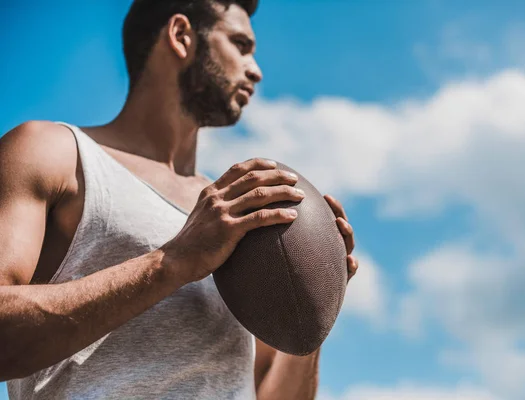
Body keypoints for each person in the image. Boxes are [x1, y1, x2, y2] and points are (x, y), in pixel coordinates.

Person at [0, 0, 359, 399]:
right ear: (181, 36)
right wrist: (171, 262)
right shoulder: (55, 154)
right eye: (241, 45)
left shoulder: (236, 213)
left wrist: (316, 308)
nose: (255, 70)